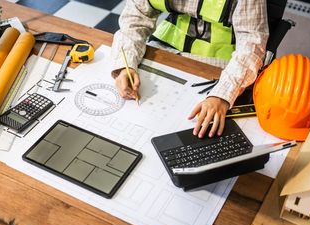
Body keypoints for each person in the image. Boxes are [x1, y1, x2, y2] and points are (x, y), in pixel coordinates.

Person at [111, 0, 269, 138]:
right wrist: (126, 65)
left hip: (221, 68)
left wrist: (222, 95)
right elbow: (136, 18)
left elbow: (252, 43)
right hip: (166, 52)